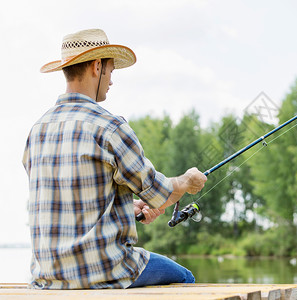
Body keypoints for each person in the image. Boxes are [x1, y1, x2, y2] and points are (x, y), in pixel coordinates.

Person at [22, 29, 207, 289]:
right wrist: (187, 181)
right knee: (186, 279)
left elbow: (67, 199)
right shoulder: (109, 127)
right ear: (97, 67)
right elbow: (161, 194)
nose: (111, 81)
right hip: (105, 270)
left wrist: (123, 208)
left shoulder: (37, 131)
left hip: (46, 277)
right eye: (111, 71)